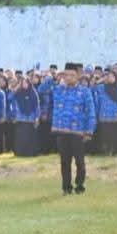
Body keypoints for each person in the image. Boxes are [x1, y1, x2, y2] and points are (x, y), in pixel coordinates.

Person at [51, 63, 96, 195]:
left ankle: (80, 185)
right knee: (64, 162)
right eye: (66, 75)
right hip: (62, 131)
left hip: (78, 132)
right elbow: (42, 90)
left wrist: (89, 131)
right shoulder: (59, 90)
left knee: (80, 162)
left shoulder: (84, 92)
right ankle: (66, 187)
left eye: (72, 75)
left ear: (78, 76)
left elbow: (90, 113)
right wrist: (55, 78)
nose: (68, 78)